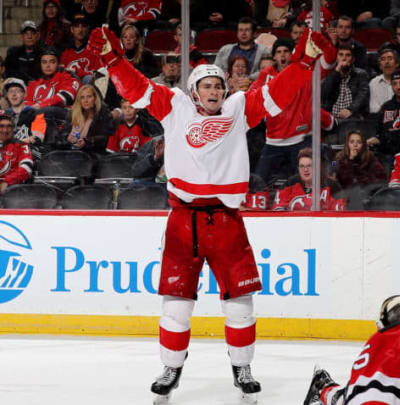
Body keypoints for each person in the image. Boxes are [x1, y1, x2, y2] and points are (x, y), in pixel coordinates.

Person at [86, 24, 333, 401]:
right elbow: (136, 88)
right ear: (194, 91)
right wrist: (114, 60)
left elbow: (278, 95)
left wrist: (303, 61)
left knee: (240, 306)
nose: (215, 91)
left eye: (219, 85)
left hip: (227, 220)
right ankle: (170, 369)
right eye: (208, 86)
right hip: (184, 221)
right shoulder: (175, 107)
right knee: (176, 306)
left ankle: (242, 369)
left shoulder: (238, 108)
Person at [250, 37, 336, 183]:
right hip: (273, 141)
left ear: (293, 53)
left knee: (309, 181)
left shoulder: (305, 70)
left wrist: (325, 44)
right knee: (258, 180)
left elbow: (329, 62)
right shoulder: (266, 75)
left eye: (286, 52)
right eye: (278, 52)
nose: (282, 55)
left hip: (300, 139)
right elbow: (253, 100)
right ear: (274, 56)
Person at [272, 147, 346, 211]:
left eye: (309, 166)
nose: (305, 169)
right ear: (298, 168)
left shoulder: (331, 186)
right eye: (302, 166)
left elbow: (338, 214)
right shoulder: (290, 184)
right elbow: (278, 210)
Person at [321, 44, 369, 120]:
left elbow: (362, 95)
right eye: (341, 55)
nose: (344, 58)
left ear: (353, 59)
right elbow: (324, 93)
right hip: (332, 118)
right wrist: (337, 71)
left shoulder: (361, 74)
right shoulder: (330, 75)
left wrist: (350, 109)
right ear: (337, 58)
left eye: (348, 55)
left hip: (353, 117)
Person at [63, 84, 114, 154]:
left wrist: (87, 141)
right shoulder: (73, 112)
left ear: (95, 98)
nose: (85, 100)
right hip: (71, 151)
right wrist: (67, 137)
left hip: (93, 154)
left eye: (89, 97)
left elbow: (106, 138)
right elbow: (63, 133)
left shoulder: (103, 113)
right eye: (82, 97)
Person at [3, 78, 49, 157]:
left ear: (25, 94)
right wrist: (23, 140)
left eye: (17, 91)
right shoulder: (3, 116)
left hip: (28, 155)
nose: (13, 94)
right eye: (10, 91)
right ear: (7, 95)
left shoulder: (36, 114)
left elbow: (37, 138)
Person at [368, 48, 400, 114]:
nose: (387, 62)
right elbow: (373, 109)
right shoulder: (373, 83)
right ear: (380, 66)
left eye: (390, 58)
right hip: (382, 119)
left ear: (397, 63)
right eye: (383, 59)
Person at [61, 13, 101, 84]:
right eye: (77, 26)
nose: (80, 29)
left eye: (83, 26)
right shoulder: (65, 53)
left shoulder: (95, 50)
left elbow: (98, 74)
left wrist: (77, 72)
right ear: (72, 29)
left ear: (88, 29)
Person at [0, 113, 33, 193]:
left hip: (12, 190)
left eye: (9, 126)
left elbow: (27, 168)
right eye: (1, 126)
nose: (5, 130)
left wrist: (7, 181)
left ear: (13, 129)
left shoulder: (21, 145)